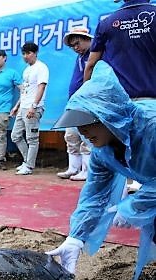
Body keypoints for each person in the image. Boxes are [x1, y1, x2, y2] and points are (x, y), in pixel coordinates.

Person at [46, 61, 156, 280]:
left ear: (109, 116)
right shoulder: (102, 150)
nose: (83, 130)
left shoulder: (151, 126)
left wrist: (135, 206)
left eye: (88, 122)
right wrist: (76, 237)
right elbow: (94, 195)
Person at [84, 0, 156, 192]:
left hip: (120, 105)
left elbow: (91, 64)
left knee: (118, 156)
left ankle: (124, 193)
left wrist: (87, 101)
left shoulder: (108, 22)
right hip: (153, 104)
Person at [56, 28, 93, 181]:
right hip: (74, 101)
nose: (75, 48)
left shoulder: (94, 55)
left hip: (86, 102)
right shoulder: (80, 57)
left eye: (77, 43)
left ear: (87, 39)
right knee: (71, 135)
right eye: (72, 46)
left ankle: (86, 170)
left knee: (86, 137)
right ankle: (73, 168)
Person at [10, 42, 49, 175]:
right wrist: (17, 106)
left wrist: (34, 106)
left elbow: (41, 87)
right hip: (23, 107)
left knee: (32, 138)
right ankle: (27, 161)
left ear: (35, 53)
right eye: (24, 53)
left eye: (28, 53)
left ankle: (29, 166)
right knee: (15, 136)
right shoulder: (26, 70)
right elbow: (25, 90)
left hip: (33, 108)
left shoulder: (41, 67)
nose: (25, 56)